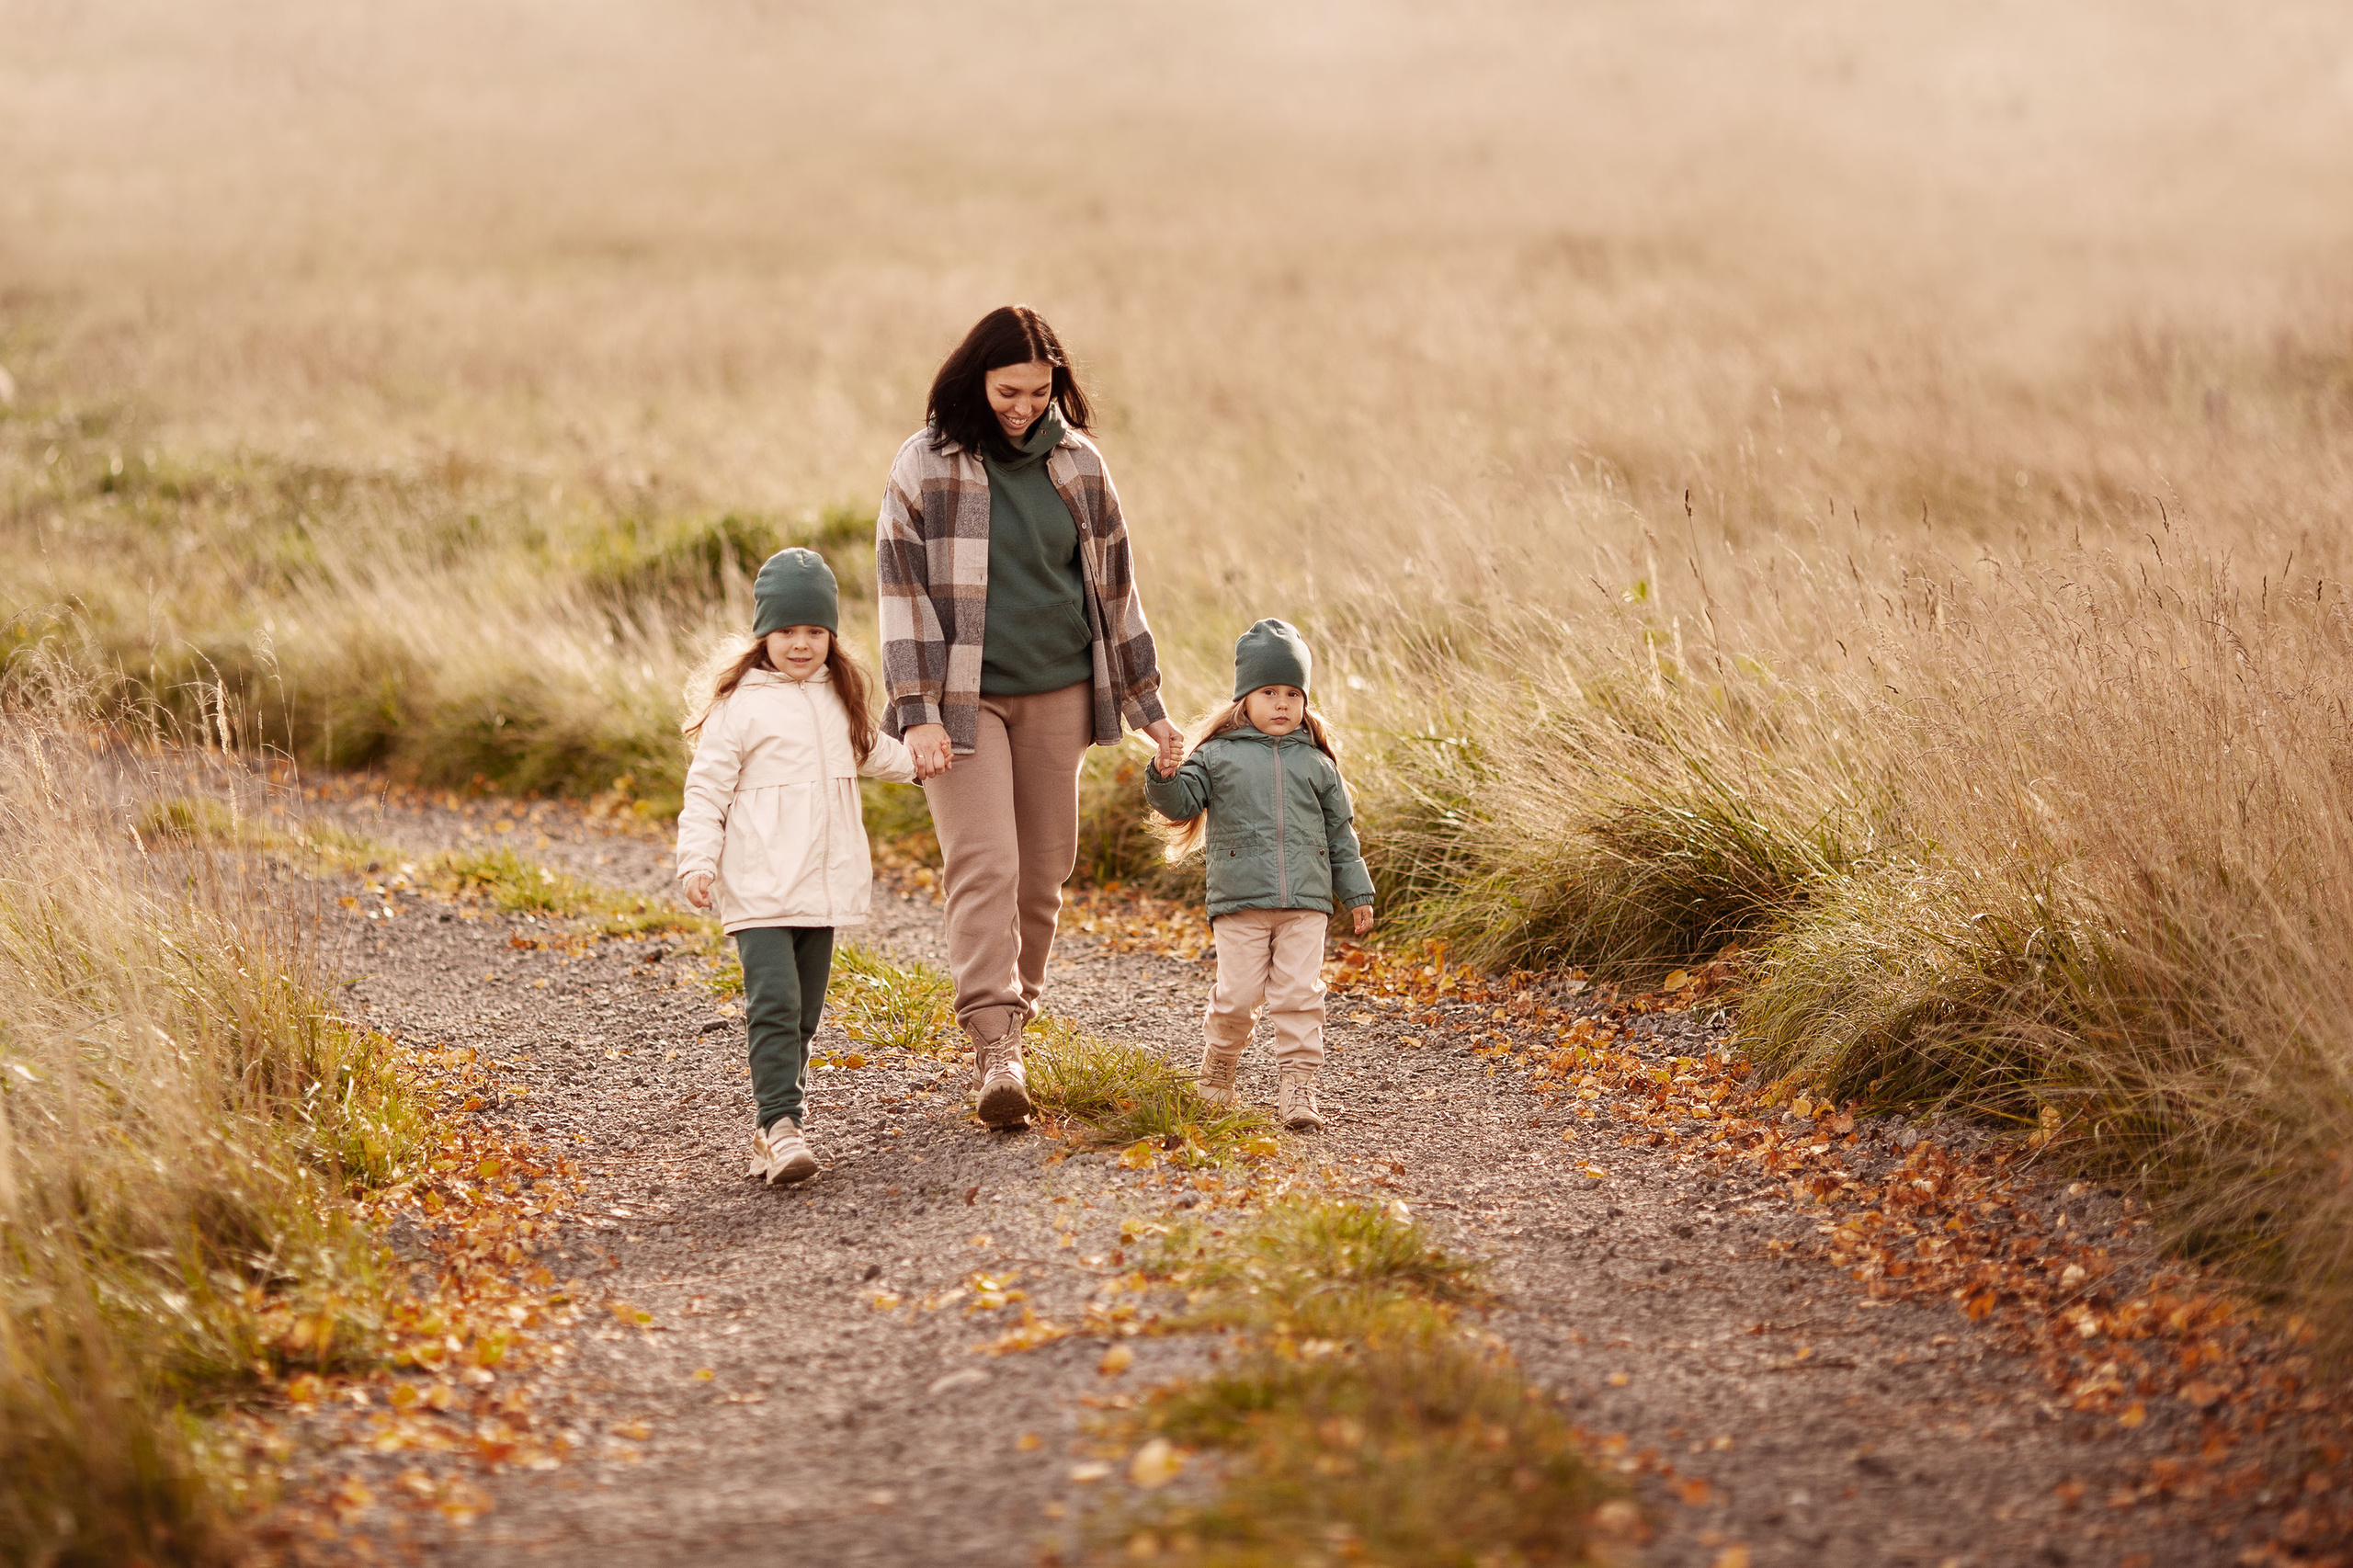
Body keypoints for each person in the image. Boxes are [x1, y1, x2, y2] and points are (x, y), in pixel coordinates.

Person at [876, 305, 1181, 1128]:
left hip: (1058, 692)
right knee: (986, 864)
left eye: (1039, 392)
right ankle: (994, 1046)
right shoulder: (925, 465)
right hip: (960, 703)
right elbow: (901, 597)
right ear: (976, 379)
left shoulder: (1079, 464)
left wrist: (1149, 707)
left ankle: (1020, 1014)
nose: (1024, 406)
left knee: (1045, 870)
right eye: (1009, 391)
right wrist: (918, 714)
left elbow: (1117, 589)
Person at [676, 548, 917, 1185]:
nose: (802, 644)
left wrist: (924, 762)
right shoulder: (740, 707)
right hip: (757, 885)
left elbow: (875, 754)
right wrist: (697, 860)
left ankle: (776, 1127)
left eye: (815, 631)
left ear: (831, 635)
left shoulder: (840, 700)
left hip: (823, 886)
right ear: (764, 635)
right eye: (787, 631)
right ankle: (779, 1125)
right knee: (775, 1002)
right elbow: (705, 791)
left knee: (806, 1011)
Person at [1143, 619, 1375, 1131]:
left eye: (1293, 693)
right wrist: (1163, 775)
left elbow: (1341, 833)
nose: (1282, 703)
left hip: (1306, 905)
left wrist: (1356, 890)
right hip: (1240, 903)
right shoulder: (1216, 756)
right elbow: (1182, 802)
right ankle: (1219, 1071)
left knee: (1299, 996)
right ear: (1243, 699)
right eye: (1269, 691)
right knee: (1239, 996)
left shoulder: (1317, 764)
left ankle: (1298, 1086)